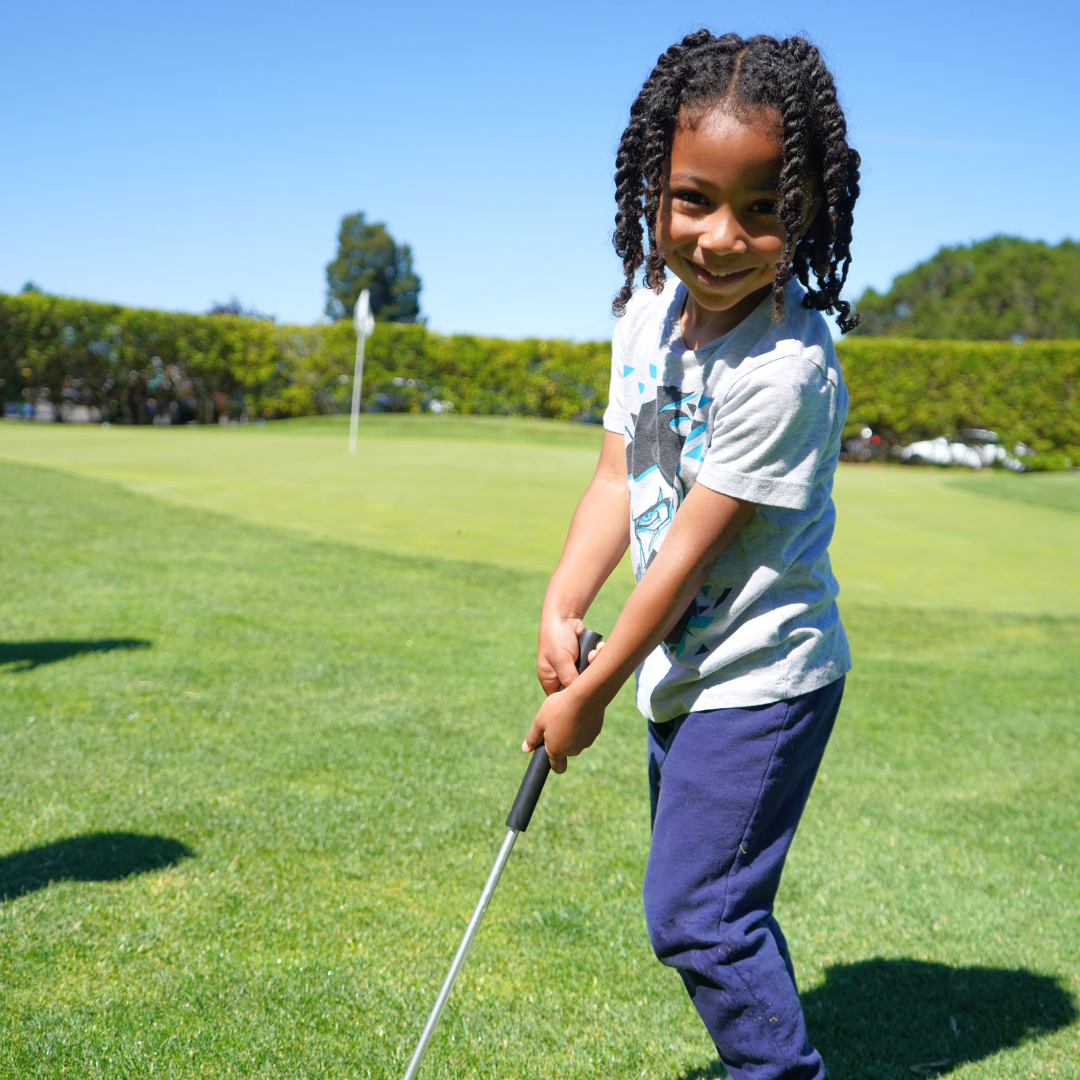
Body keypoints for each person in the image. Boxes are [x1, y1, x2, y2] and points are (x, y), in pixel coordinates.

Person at [522, 31, 860, 1080]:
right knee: (706, 899)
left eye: (765, 210)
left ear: (807, 214)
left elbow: (680, 566)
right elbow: (616, 478)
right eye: (693, 199)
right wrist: (560, 600)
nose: (721, 238)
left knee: (695, 914)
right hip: (692, 675)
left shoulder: (787, 371)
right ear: (650, 194)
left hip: (763, 675)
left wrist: (592, 691)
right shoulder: (644, 318)